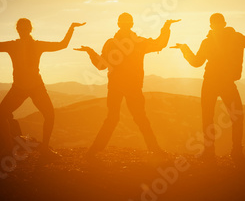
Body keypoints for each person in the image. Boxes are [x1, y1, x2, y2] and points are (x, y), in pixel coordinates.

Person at [0, 19, 85, 158]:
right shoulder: (20, 45)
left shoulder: (28, 45)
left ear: (29, 29)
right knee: (2, 115)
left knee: (48, 115)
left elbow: (63, 45)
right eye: (21, 27)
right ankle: (12, 148)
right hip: (22, 88)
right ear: (19, 29)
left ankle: (41, 149)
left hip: (33, 87)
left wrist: (71, 28)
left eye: (24, 27)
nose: (22, 29)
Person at [75, 13, 179, 159]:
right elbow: (159, 44)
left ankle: (92, 152)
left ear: (119, 24)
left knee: (112, 119)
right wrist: (166, 27)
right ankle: (154, 150)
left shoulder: (111, 43)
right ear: (131, 24)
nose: (125, 25)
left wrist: (90, 52)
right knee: (140, 119)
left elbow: (100, 66)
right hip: (132, 87)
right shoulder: (139, 42)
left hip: (116, 86)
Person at [172, 13, 245, 166]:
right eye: (215, 23)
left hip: (212, 82)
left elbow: (196, 62)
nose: (216, 26)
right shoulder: (232, 38)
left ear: (217, 24)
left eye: (216, 23)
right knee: (234, 116)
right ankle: (235, 152)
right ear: (221, 23)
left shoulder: (210, 41)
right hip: (222, 82)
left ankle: (213, 151)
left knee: (209, 117)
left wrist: (184, 49)